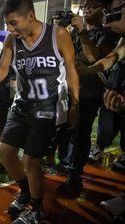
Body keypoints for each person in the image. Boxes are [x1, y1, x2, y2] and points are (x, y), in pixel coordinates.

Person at [0, 0, 79, 224]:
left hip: (48, 106)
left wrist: (75, 104)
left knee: (31, 160)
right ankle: (26, 193)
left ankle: (37, 208)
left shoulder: (58, 34)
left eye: (13, 23)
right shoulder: (13, 39)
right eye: (7, 24)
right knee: (4, 152)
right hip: (22, 104)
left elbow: (72, 69)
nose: (10, 30)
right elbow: (3, 69)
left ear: (30, 17)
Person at [56, 0, 121, 197]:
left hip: (91, 92)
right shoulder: (75, 31)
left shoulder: (109, 32)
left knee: (81, 133)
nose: (88, 9)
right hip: (70, 88)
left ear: (104, 9)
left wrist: (83, 32)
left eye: (94, 6)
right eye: (86, 6)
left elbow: (95, 58)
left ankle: (75, 179)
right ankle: (66, 165)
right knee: (65, 130)